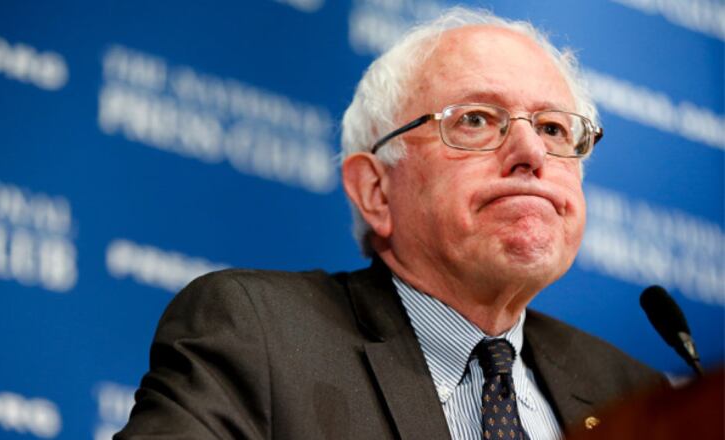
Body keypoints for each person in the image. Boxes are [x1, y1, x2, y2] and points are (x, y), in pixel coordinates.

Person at [116, 7, 666, 440]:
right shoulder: (259, 335)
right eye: (475, 120)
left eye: (551, 128)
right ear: (375, 190)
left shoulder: (631, 393)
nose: (530, 153)